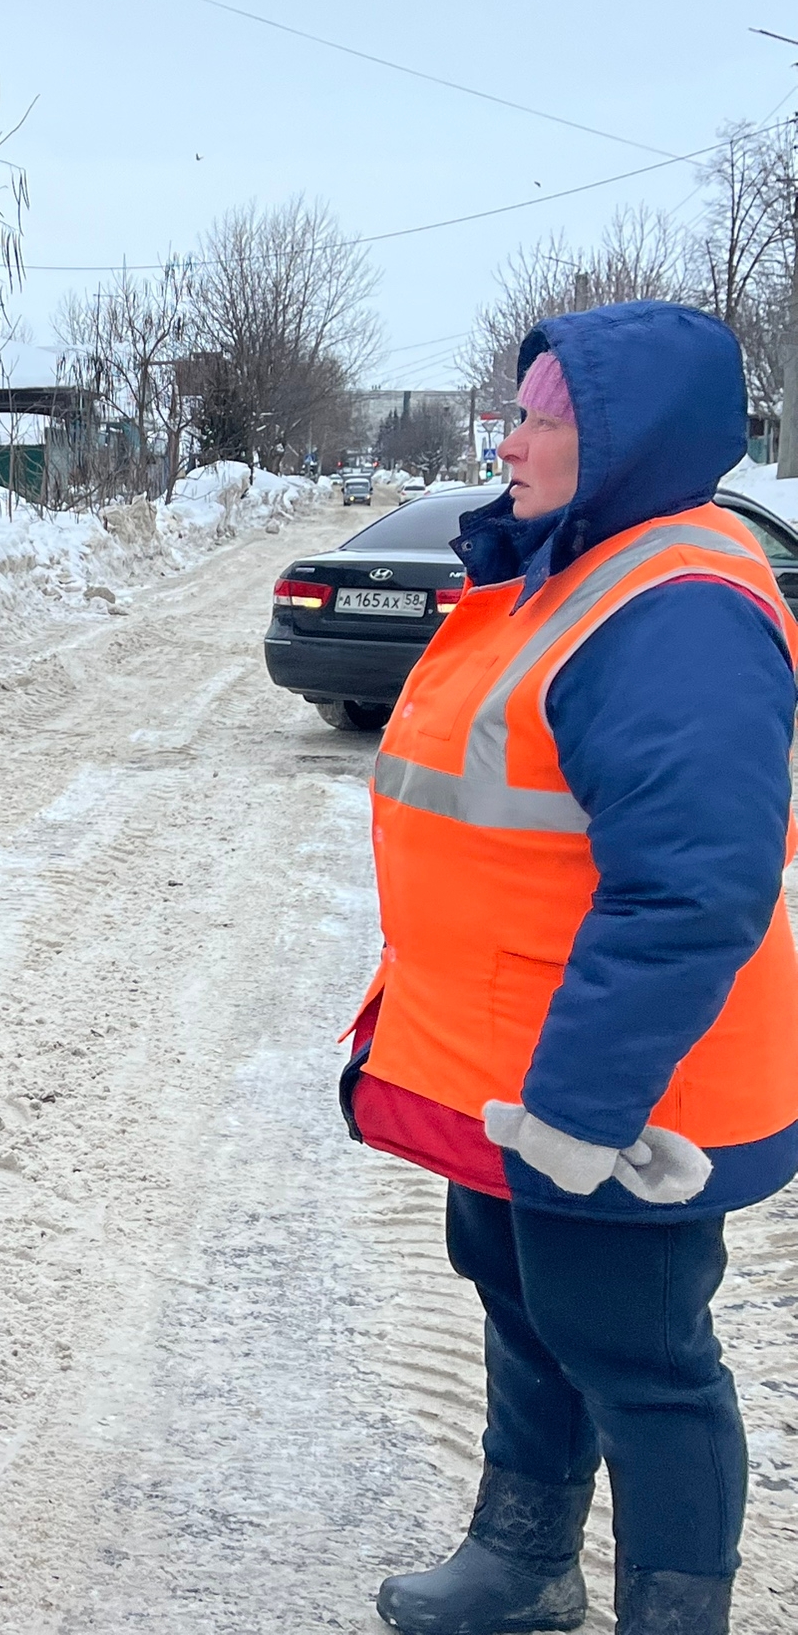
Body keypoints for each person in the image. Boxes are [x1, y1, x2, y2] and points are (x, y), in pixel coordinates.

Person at [342, 300, 798, 1635]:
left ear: (633, 441)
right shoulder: (579, 563)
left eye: (550, 417)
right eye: (521, 408)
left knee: (642, 1359)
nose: (515, 438)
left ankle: (675, 1614)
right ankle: (525, 1558)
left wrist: (585, 1114)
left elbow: (694, 891)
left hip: (623, 1086)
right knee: (529, 1310)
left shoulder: (681, 607)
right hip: (512, 1063)